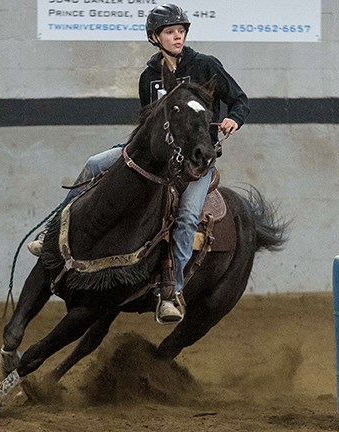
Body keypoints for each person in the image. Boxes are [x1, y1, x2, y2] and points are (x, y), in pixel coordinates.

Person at [28, 4, 250, 324]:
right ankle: (53, 236)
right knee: (94, 164)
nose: (178, 37)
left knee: (187, 217)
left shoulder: (206, 66)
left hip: (194, 165)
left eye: (181, 31)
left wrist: (233, 118)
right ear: (155, 38)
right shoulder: (148, 77)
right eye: (170, 32)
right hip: (154, 160)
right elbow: (147, 123)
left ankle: (172, 291)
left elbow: (240, 99)